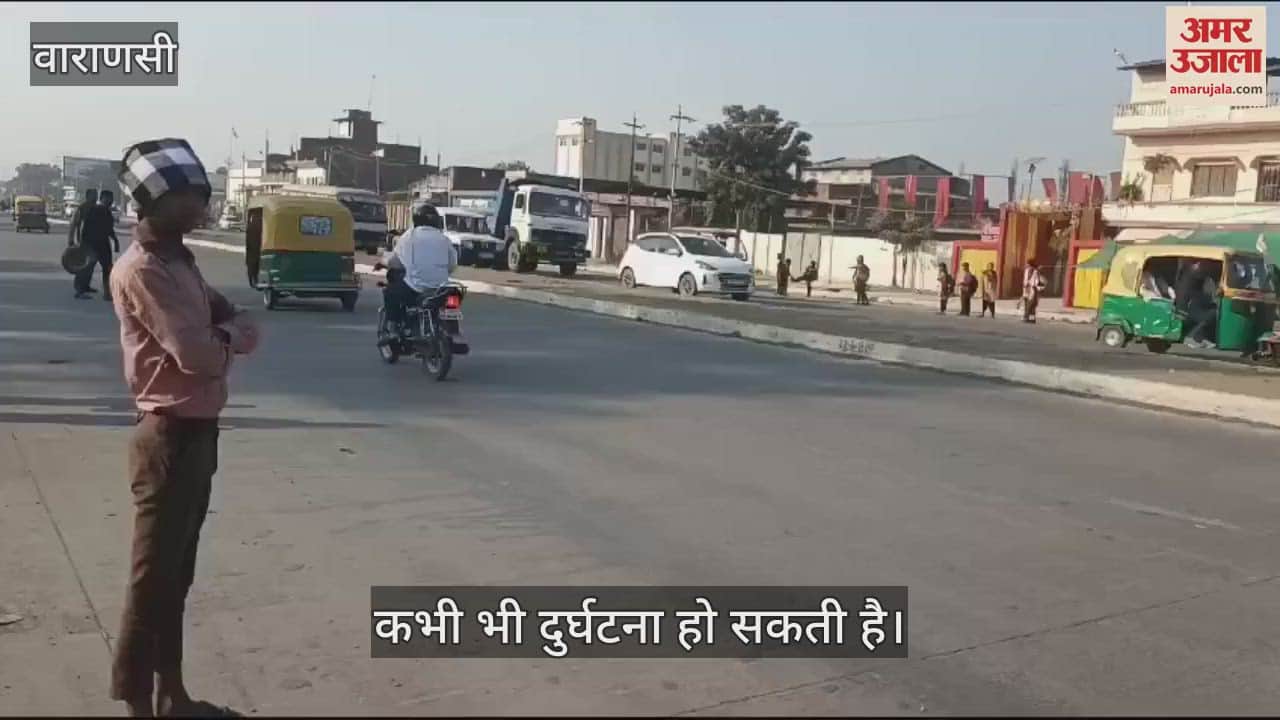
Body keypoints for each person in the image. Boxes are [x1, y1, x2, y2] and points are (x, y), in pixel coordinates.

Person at [108, 138, 259, 718]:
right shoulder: (143, 270)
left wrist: (227, 335)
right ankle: (137, 702)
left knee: (178, 574)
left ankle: (173, 695)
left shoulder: (181, 263)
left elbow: (236, 321)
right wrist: (229, 339)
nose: (201, 206)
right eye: (190, 197)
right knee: (152, 579)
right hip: (167, 438)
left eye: (201, 195)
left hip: (198, 434)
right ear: (156, 203)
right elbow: (195, 355)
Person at [376, 202, 456, 333]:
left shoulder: (409, 236)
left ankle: (393, 327)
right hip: (441, 289)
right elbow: (452, 265)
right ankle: (453, 330)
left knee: (390, 292)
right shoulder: (444, 239)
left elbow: (394, 262)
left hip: (416, 288)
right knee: (452, 301)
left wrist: (383, 262)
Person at [75, 189, 121, 301]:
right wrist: (82, 243)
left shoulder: (107, 211)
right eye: (108, 198)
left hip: (103, 243)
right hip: (92, 243)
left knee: (107, 268)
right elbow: (85, 226)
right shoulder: (94, 210)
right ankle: (80, 290)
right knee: (88, 267)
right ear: (102, 199)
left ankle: (107, 292)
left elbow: (109, 228)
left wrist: (115, 240)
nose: (110, 201)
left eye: (111, 198)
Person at [68, 188, 99, 298]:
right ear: (88, 196)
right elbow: (73, 224)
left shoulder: (96, 208)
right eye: (94, 195)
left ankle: (86, 286)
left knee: (91, 264)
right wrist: (71, 240)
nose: (96, 197)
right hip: (83, 241)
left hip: (94, 241)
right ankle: (79, 289)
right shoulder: (81, 208)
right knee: (83, 265)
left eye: (96, 195)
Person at [1021, 259, 1046, 323]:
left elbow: (1037, 281)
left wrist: (1037, 287)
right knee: (1027, 304)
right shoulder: (1026, 271)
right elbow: (1025, 279)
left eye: (1028, 265)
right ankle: (1030, 318)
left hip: (1033, 289)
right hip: (1026, 289)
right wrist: (1025, 285)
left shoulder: (1035, 272)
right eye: (1027, 265)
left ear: (1031, 265)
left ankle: (1027, 317)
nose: (1027, 266)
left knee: (1031, 304)